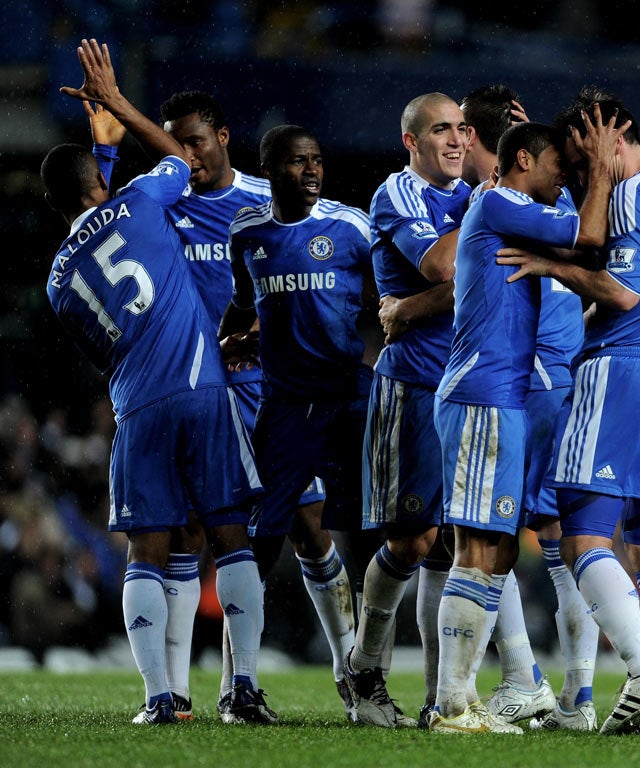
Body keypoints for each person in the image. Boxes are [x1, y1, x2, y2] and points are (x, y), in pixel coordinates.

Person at [43, 38, 269, 725]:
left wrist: (100, 153)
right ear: (101, 182)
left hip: (137, 402)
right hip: (204, 385)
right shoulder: (143, 200)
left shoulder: (55, 280)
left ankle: (159, 700)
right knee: (230, 534)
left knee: (149, 547)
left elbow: (96, 348)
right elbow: (177, 160)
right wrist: (114, 110)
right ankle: (245, 687)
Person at [497, 87, 640, 736]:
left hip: (625, 371)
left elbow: (621, 290)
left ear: (610, 132)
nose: (578, 165)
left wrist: (548, 264)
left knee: (582, 534)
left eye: (583, 148)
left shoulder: (630, 192)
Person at [429, 115, 621, 734]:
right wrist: (600, 169)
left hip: (504, 398)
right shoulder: (500, 202)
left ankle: (464, 698)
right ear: (521, 162)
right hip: (482, 394)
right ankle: (453, 703)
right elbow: (590, 237)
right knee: (477, 547)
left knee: (502, 546)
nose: (561, 175)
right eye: (554, 165)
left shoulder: (514, 210)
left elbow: (585, 248)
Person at [219, 123, 371, 723]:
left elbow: (386, 299)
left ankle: (364, 675)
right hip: (282, 409)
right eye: (296, 163)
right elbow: (243, 299)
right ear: (270, 168)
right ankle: (241, 685)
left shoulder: (351, 227)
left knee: (398, 532)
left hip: (348, 398)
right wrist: (235, 334)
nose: (311, 172)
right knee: (255, 546)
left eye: (317, 161)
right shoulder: (248, 233)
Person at [343, 92, 471, 728]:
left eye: (461, 130)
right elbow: (445, 262)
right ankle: (364, 670)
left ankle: (437, 698)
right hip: (414, 385)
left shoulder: (476, 194)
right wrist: (492, 236)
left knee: (449, 547)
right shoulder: (397, 195)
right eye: (439, 130)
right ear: (411, 141)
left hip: (469, 385)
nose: (454, 141)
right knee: (412, 539)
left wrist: (417, 306)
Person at [458, 82, 564, 729]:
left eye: (457, 129)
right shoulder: (512, 201)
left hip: (516, 386)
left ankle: (499, 685)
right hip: (540, 381)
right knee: (559, 539)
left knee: (481, 541)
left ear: (473, 136)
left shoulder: (496, 201)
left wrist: (409, 305)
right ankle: (558, 689)